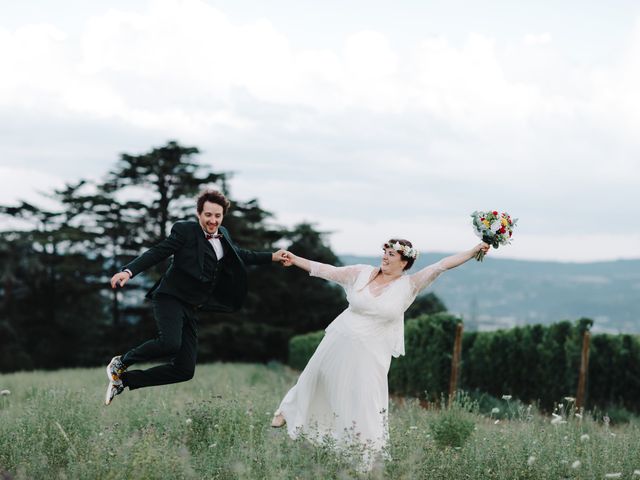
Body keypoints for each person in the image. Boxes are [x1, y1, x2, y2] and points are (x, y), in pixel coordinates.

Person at [271, 239, 490, 468]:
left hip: (372, 352)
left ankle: (364, 454)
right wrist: (295, 259)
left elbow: (442, 265)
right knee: (316, 375)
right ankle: (289, 409)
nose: (385, 257)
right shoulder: (361, 273)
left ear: (405, 261)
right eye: (385, 252)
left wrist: (474, 250)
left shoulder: (410, 285)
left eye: (392, 254)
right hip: (339, 339)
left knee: (365, 398)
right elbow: (328, 270)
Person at [106, 189, 288, 405]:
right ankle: (121, 362)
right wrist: (128, 272)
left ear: (222, 216)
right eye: (208, 215)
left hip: (191, 306)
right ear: (199, 214)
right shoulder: (186, 231)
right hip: (170, 297)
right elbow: (158, 252)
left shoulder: (224, 235)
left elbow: (241, 255)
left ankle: (124, 381)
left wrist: (272, 257)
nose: (213, 220)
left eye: (217, 216)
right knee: (170, 344)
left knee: (184, 370)